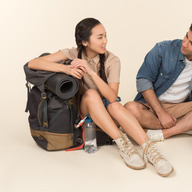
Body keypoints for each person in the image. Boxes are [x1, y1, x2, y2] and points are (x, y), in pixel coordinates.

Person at [28, 18, 173, 177]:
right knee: (91, 94)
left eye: (105, 36)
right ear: (84, 41)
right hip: (83, 112)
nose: (105, 41)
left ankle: (150, 150)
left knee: (115, 105)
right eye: (100, 37)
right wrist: (66, 68)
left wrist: (90, 72)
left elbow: (112, 97)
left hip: (108, 111)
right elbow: (33, 64)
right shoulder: (71, 53)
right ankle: (124, 145)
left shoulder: (112, 60)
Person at [125, 19, 192, 142]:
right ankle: (187, 127)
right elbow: (143, 81)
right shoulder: (162, 49)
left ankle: (165, 133)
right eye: (186, 36)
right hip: (152, 105)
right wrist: (161, 113)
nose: (185, 43)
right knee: (129, 109)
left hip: (181, 107)